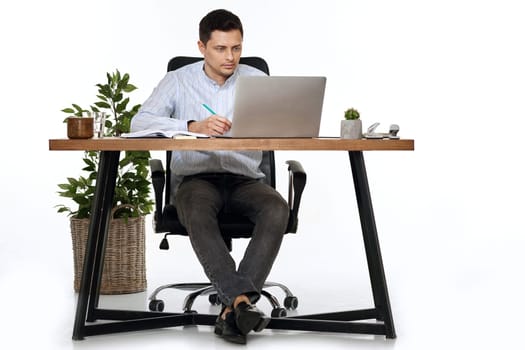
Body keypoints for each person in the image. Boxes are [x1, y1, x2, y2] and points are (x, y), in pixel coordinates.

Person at [130, 9, 289, 344]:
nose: (230, 57)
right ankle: (240, 303)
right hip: (196, 180)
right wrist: (191, 127)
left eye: (236, 48)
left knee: (276, 208)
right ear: (202, 46)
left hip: (245, 179)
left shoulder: (256, 80)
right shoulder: (178, 80)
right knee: (198, 209)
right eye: (221, 48)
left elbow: (283, 127)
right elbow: (139, 123)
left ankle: (234, 307)